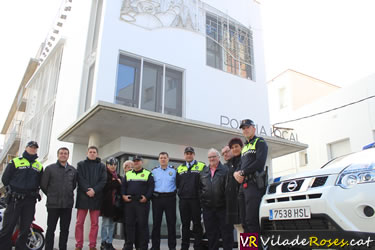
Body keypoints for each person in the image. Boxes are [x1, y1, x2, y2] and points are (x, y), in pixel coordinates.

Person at [0, 141, 43, 250]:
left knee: (25, 228)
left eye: (35, 148)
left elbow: (40, 182)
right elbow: (5, 178)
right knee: (8, 226)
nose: (33, 149)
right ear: (26, 148)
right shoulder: (15, 161)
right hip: (15, 199)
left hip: (30, 200)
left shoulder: (39, 166)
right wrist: (10, 190)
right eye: (31, 147)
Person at [234, 119, 268, 233]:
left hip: (254, 185)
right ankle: (248, 247)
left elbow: (259, 163)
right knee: (244, 222)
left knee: (251, 221)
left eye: (247, 127)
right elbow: (240, 165)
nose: (245, 130)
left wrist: (242, 173)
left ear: (254, 128)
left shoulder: (260, 142)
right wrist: (236, 173)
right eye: (243, 128)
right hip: (243, 187)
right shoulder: (245, 147)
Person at [41, 147, 77, 250]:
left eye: (65, 153)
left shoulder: (73, 170)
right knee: (51, 229)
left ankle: (63, 248)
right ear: (58, 155)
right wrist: (52, 195)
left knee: (64, 229)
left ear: (68, 156)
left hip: (67, 205)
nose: (63, 155)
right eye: (61, 153)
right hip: (53, 205)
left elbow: (73, 185)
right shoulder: (49, 169)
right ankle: (48, 248)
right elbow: (44, 185)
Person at [199, 148, 233, 250]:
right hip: (208, 209)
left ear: (218, 157)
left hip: (223, 208)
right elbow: (199, 189)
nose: (212, 159)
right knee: (211, 235)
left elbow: (230, 189)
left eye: (214, 156)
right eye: (210, 157)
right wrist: (203, 204)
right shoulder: (203, 172)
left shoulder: (226, 170)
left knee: (226, 234)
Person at [75, 146, 107, 250]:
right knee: (79, 223)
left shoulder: (102, 166)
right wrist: (87, 190)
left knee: (95, 223)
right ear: (87, 153)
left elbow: (103, 180)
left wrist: (94, 190)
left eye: (94, 152)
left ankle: (92, 246)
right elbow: (79, 178)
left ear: (97, 154)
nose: (92, 153)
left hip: (96, 197)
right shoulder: (80, 164)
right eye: (90, 152)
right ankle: (78, 245)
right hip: (83, 197)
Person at [122, 156, 154, 250]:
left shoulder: (148, 173)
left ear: (141, 162)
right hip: (130, 203)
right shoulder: (128, 174)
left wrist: (147, 197)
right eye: (135, 161)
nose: (136, 163)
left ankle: (143, 246)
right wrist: (123, 196)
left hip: (142, 203)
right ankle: (129, 246)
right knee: (129, 225)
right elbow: (123, 186)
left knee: (142, 225)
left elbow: (151, 187)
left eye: (138, 161)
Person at [176, 146, 205, 250]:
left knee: (197, 224)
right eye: (187, 153)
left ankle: (198, 246)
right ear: (184, 155)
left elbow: (204, 182)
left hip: (196, 200)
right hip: (184, 200)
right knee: (185, 225)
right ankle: (184, 247)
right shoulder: (180, 168)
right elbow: (177, 184)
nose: (189, 155)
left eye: (190, 153)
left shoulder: (201, 166)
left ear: (194, 155)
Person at [150, 152, 177, 250]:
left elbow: (178, 184)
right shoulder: (154, 171)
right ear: (158, 160)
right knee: (156, 224)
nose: (163, 159)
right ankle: (155, 247)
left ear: (168, 159)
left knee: (171, 223)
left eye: (165, 158)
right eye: (161, 158)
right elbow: (150, 185)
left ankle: (172, 247)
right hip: (157, 199)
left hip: (170, 198)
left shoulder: (174, 171)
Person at [225, 138, 244, 249]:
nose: (234, 149)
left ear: (241, 147)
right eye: (232, 147)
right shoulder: (230, 163)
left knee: (247, 226)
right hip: (233, 200)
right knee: (239, 227)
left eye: (236, 146)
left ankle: (249, 248)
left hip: (244, 198)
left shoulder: (246, 159)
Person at [100, 157, 122, 250]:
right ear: (107, 165)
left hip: (115, 204)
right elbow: (105, 187)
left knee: (112, 224)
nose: (113, 166)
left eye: (115, 164)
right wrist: (116, 182)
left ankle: (110, 243)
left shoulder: (118, 176)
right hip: (106, 203)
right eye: (111, 164)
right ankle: (103, 243)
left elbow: (120, 189)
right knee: (105, 223)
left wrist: (115, 182)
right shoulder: (104, 174)